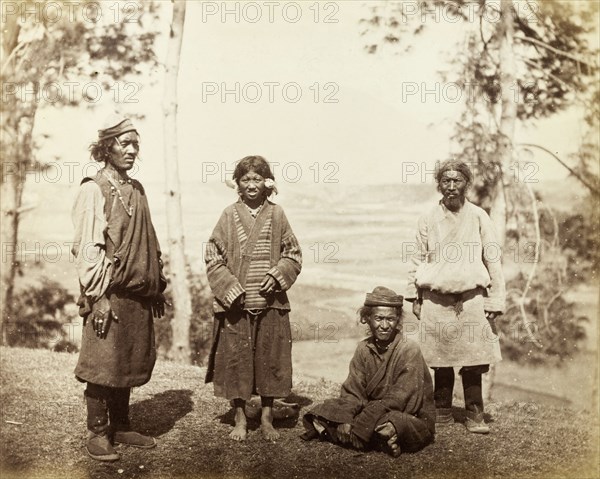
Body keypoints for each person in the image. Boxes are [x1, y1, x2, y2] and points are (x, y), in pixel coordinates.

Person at [71, 115, 167, 461]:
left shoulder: (136, 189)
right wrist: (96, 298)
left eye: (135, 144)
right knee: (103, 363)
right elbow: (87, 248)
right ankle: (97, 433)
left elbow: (149, 241)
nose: (131, 150)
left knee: (127, 360)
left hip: (137, 293)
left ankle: (122, 425)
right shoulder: (92, 189)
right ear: (106, 147)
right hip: (107, 294)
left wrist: (156, 285)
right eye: (124, 143)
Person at [204, 155, 302, 441]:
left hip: (270, 304)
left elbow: (293, 253)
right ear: (237, 184)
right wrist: (230, 288)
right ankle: (240, 419)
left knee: (271, 360)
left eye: (257, 179)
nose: (251, 185)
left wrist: (279, 273)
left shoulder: (278, 214)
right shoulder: (227, 215)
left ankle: (268, 417)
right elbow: (212, 255)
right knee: (236, 362)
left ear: (267, 182)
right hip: (237, 306)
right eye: (245, 179)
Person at [405, 159, 505, 434]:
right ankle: (442, 409)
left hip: (472, 297)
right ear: (439, 185)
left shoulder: (478, 217)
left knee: (474, 355)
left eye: (456, 180)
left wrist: (495, 300)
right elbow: (415, 258)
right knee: (440, 356)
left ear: (466, 184)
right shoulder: (427, 219)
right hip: (436, 297)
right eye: (446, 181)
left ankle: (475, 413)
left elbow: (493, 259)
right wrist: (414, 296)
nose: (451, 186)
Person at [301, 287, 435, 456]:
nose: (385, 325)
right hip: (373, 411)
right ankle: (382, 439)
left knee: (395, 422)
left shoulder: (409, 349)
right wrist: (345, 418)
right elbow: (353, 391)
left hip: (404, 412)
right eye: (379, 318)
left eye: (391, 319)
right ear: (368, 318)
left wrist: (363, 422)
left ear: (398, 320)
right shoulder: (363, 349)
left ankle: (376, 435)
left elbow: (400, 398)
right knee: (323, 410)